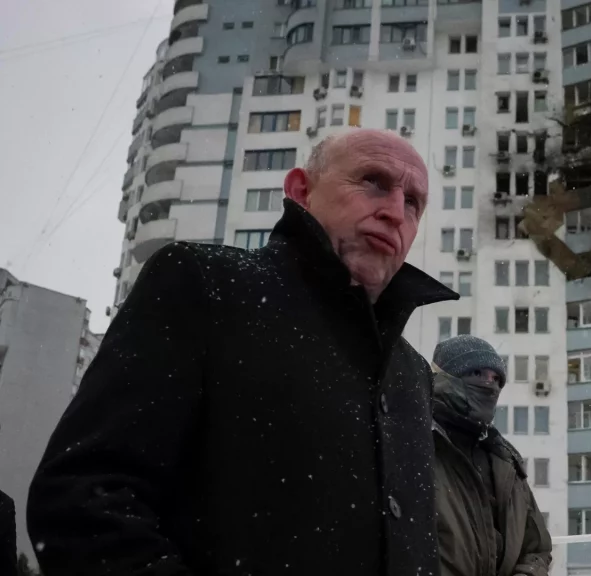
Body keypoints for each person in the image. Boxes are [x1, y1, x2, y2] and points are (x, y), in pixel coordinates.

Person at [27, 129, 458, 576]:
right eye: (373, 182)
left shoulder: (411, 372)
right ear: (301, 191)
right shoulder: (206, 285)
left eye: (413, 203)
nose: (395, 212)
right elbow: (84, 498)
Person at [430, 336, 552, 576]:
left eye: (497, 379)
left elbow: (536, 548)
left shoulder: (504, 461)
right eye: (477, 373)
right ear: (446, 376)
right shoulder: (416, 445)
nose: (490, 385)